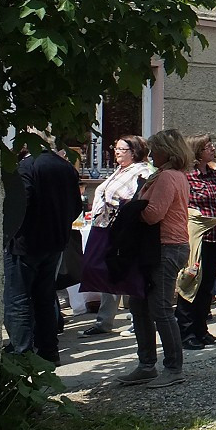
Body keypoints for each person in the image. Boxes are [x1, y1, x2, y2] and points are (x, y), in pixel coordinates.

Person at [118, 129, 191, 387]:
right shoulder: (170, 175)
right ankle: (146, 365)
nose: (150, 153)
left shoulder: (167, 177)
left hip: (165, 246)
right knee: (138, 305)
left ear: (167, 152)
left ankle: (173, 368)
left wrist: (129, 210)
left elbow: (153, 215)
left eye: (154, 148)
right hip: (160, 246)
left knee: (159, 307)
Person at [3, 134, 83, 364]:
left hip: (25, 243)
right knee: (45, 298)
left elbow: (19, 204)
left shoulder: (25, 166)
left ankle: (22, 353)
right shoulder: (66, 167)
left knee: (17, 299)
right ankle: (49, 351)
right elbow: (76, 206)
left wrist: (10, 233)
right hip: (55, 242)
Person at [81, 135, 154, 337]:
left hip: (124, 229)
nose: (117, 151)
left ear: (135, 152)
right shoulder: (120, 170)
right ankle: (104, 321)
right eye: (116, 148)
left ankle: (135, 320)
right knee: (108, 270)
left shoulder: (143, 172)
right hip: (106, 225)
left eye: (122, 149)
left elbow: (137, 199)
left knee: (127, 271)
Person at [176, 135, 216, 350]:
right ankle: (185, 332)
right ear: (197, 152)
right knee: (191, 282)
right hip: (195, 237)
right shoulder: (187, 176)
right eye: (207, 146)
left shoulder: (213, 174)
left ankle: (201, 329)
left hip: (214, 236)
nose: (212, 148)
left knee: (207, 286)